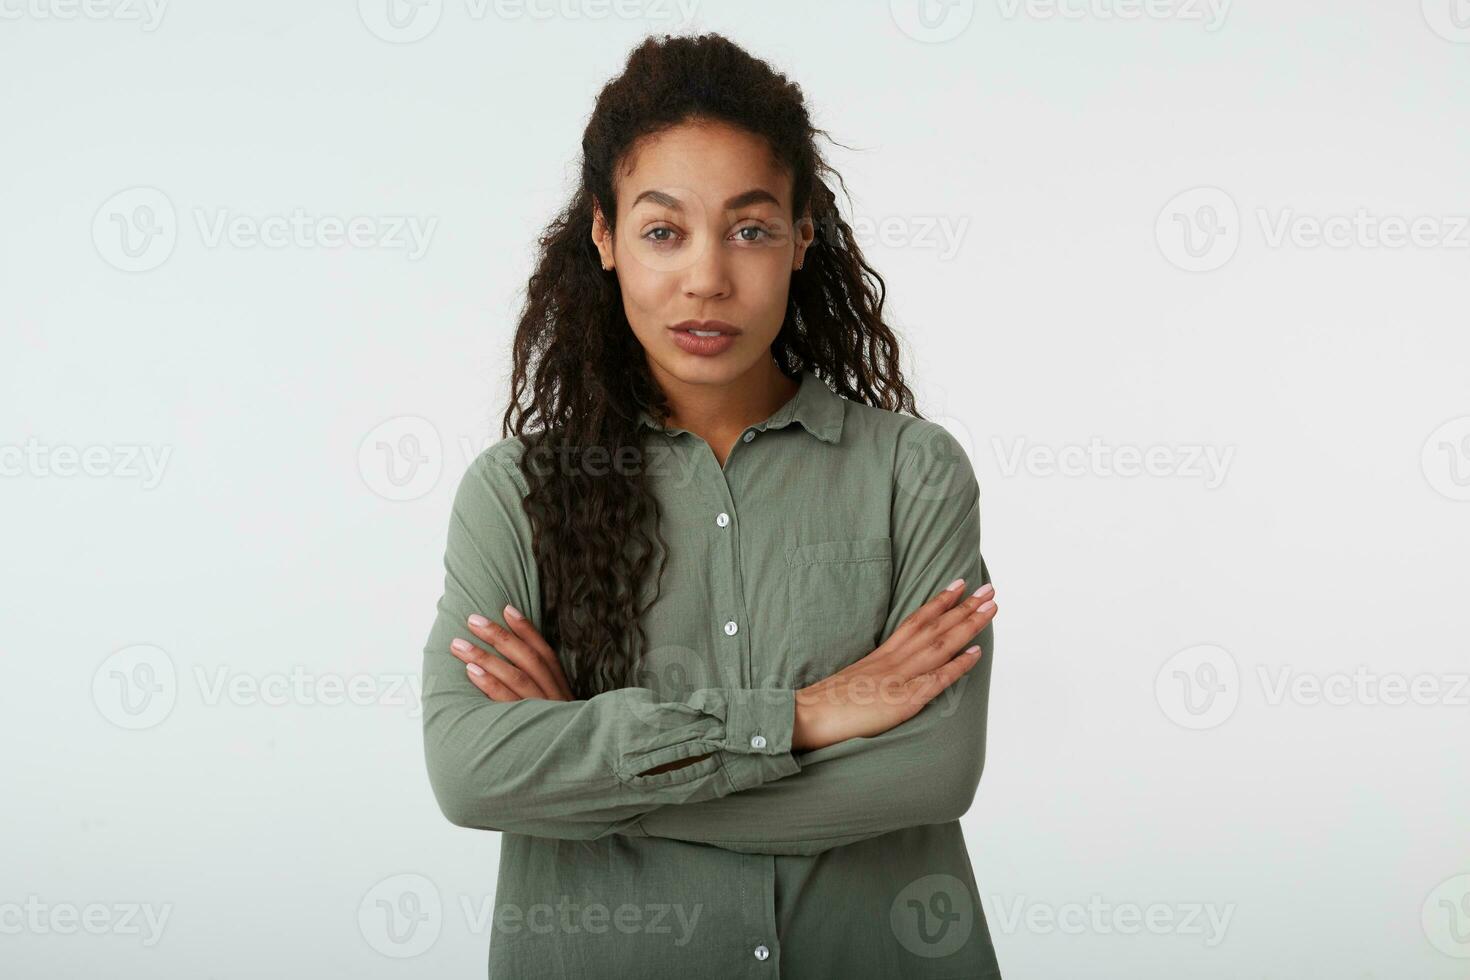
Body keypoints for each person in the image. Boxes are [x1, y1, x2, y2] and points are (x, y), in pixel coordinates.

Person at [421, 31, 1002, 979]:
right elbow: (469, 770)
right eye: (663, 231)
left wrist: (600, 781)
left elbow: (929, 771)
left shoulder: (914, 474)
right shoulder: (513, 494)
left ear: (802, 233)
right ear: (603, 238)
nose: (707, 278)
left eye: (749, 227)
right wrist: (807, 717)